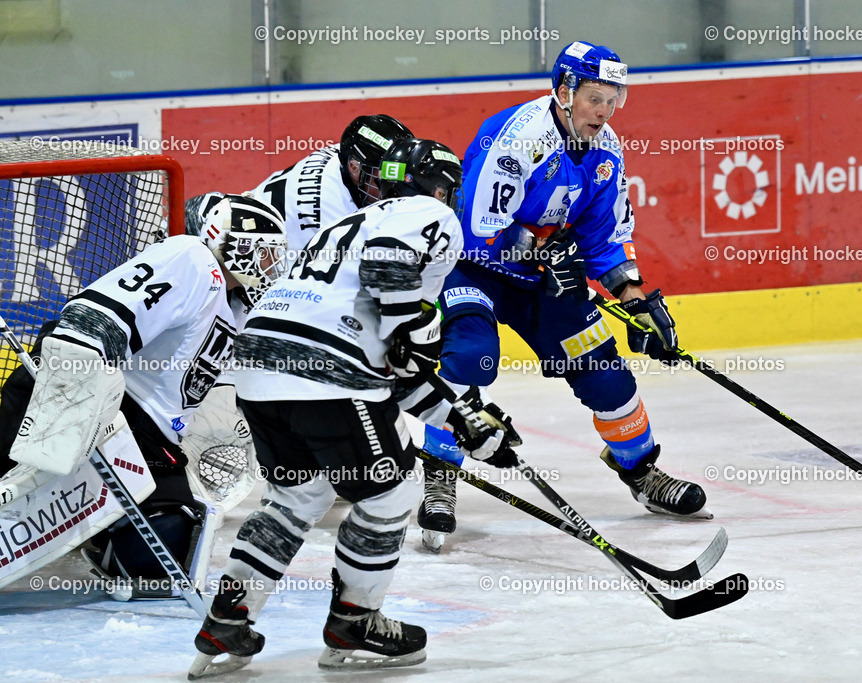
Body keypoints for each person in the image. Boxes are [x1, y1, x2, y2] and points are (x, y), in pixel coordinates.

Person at [190, 137, 503, 676]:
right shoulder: (427, 213)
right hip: (324, 370)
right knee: (391, 492)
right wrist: (410, 324)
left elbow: (394, 375)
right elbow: (390, 279)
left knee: (297, 497)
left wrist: (463, 422)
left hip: (261, 367)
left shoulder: (348, 226)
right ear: (440, 186)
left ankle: (227, 619)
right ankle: (355, 620)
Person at [407, 40, 711, 550]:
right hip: (473, 270)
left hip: (544, 280)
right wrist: (543, 249)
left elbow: (603, 238)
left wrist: (634, 299)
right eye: (596, 97)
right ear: (565, 91)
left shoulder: (607, 150)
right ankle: (440, 474)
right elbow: (480, 228)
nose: (604, 111)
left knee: (607, 376)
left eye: (615, 100)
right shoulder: (518, 138)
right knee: (472, 358)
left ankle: (641, 473)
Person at [2, 193, 287, 598]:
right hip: (76, 398)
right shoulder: (192, 260)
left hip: (142, 437)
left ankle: (96, 534)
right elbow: (93, 320)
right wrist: (77, 414)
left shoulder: (242, 306)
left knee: (159, 555)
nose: (270, 267)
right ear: (225, 242)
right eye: (263, 254)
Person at [185, 114, 414, 269]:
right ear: (355, 169)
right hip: (251, 260)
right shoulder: (336, 220)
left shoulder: (342, 154)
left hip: (239, 217)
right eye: (381, 179)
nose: (392, 189)